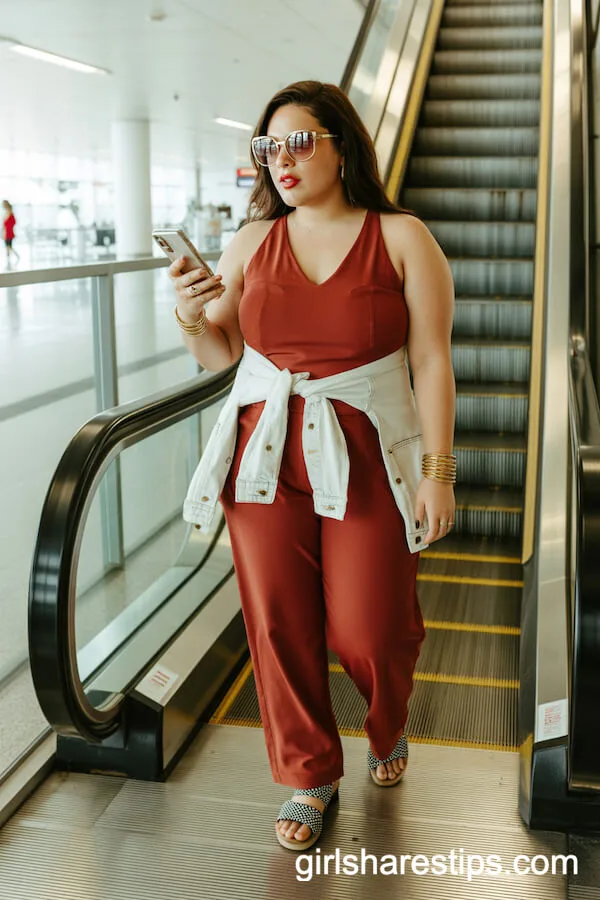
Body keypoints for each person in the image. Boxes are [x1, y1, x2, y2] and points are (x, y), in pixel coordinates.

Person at [169, 80, 456, 851]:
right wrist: (191, 313)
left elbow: (432, 361)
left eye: (299, 141)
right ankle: (310, 773)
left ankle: (387, 723)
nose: (282, 160)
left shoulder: (402, 238)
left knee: (372, 629)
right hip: (264, 454)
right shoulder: (252, 242)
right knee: (278, 621)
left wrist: (439, 472)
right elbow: (221, 354)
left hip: (367, 455)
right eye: (268, 147)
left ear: (343, 147)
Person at [3, 201, 20, 266]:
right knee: (7, 246)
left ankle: (15, 256)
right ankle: (8, 259)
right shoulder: (6, 213)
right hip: (6, 232)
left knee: (9, 246)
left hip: (9, 232)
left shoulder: (10, 213)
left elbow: (14, 222)